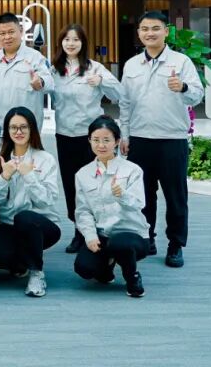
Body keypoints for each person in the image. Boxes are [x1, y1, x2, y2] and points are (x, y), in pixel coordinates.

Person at [119, 10, 204, 268]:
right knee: (143, 195)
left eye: (156, 28)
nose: (150, 33)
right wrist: (125, 134)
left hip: (172, 139)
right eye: (145, 29)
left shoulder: (181, 62)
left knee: (175, 196)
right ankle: (148, 238)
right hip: (140, 138)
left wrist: (183, 88)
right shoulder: (132, 65)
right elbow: (125, 103)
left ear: (166, 31)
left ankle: (176, 244)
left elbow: (197, 94)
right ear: (139, 33)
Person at [49, 23, 122, 254]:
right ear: (61, 43)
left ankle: (95, 230)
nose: (71, 44)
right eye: (67, 39)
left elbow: (118, 94)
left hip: (89, 138)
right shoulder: (54, 69)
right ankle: (78, 230)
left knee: (91, 184)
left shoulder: (95, 68)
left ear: (83, 43)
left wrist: (102, 82)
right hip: (64, 134)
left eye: (76, 40)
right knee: (71, 184)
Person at [0, 107, 60, 298]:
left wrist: (29, 176)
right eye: (13, 127)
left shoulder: (45, 159)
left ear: (32, 128)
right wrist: (4, 176)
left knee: (25, 218)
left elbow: (47, 201)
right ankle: (22, 262)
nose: (18, 132)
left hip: (41, 224)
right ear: (7, 130)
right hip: (8, 224)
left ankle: (36, 273)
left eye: (23, 127)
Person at [73, 115, 148, 298]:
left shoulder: (132, 170)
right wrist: (90, 236)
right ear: (89, 140)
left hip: (131, 234)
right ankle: (107, 266)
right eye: (96, 140)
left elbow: (139, 203)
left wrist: (122, 195)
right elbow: (83, 211)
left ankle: (132, 277)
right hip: (104, 235)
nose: (101, 145)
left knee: (120, 244)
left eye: (106, 140)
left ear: (116, 141)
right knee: (84, 268)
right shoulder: (83, 174)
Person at [0, 12, 54, 135]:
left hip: (27, 131)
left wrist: (41, 82)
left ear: (21, 31)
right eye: (2, 33)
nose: (7, 37)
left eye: (11, 32)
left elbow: (50, 83)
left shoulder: (35, 57)